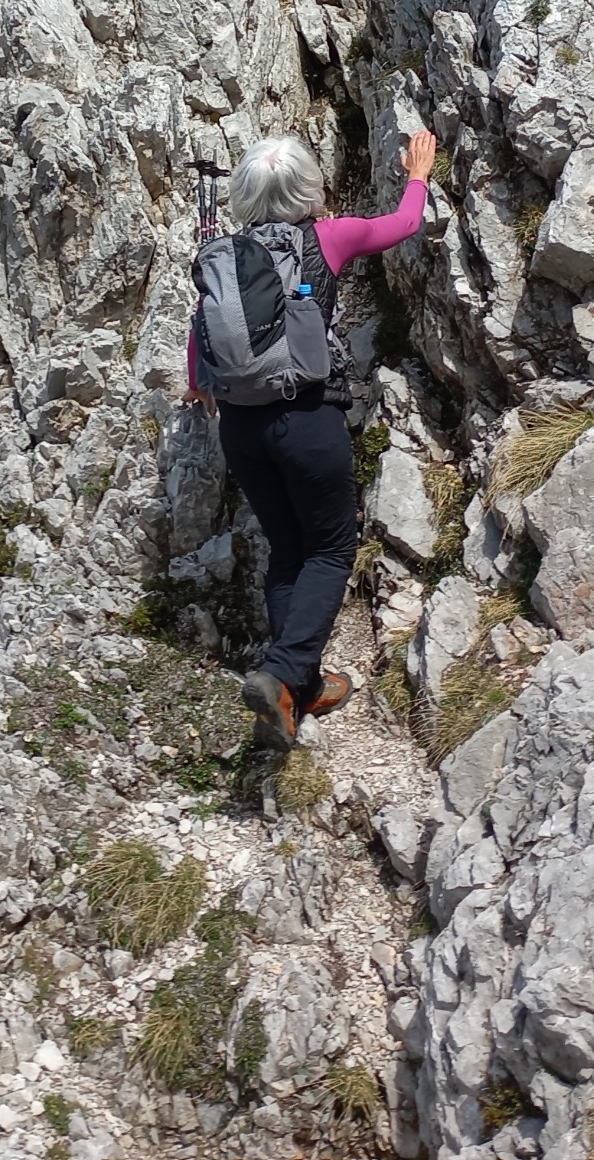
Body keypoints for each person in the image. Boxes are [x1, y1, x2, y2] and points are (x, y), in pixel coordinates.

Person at [187, 125, 435, 749]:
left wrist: (202, 387)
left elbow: (199, 344)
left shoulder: (222, 255)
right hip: (306, 417)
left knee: (288, 550)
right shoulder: (327, 235)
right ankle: (281, 672)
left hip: (242, 427)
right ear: (309, 188)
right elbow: (402, 225)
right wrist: (418, 176)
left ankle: (294, 691)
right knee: (330, 548)